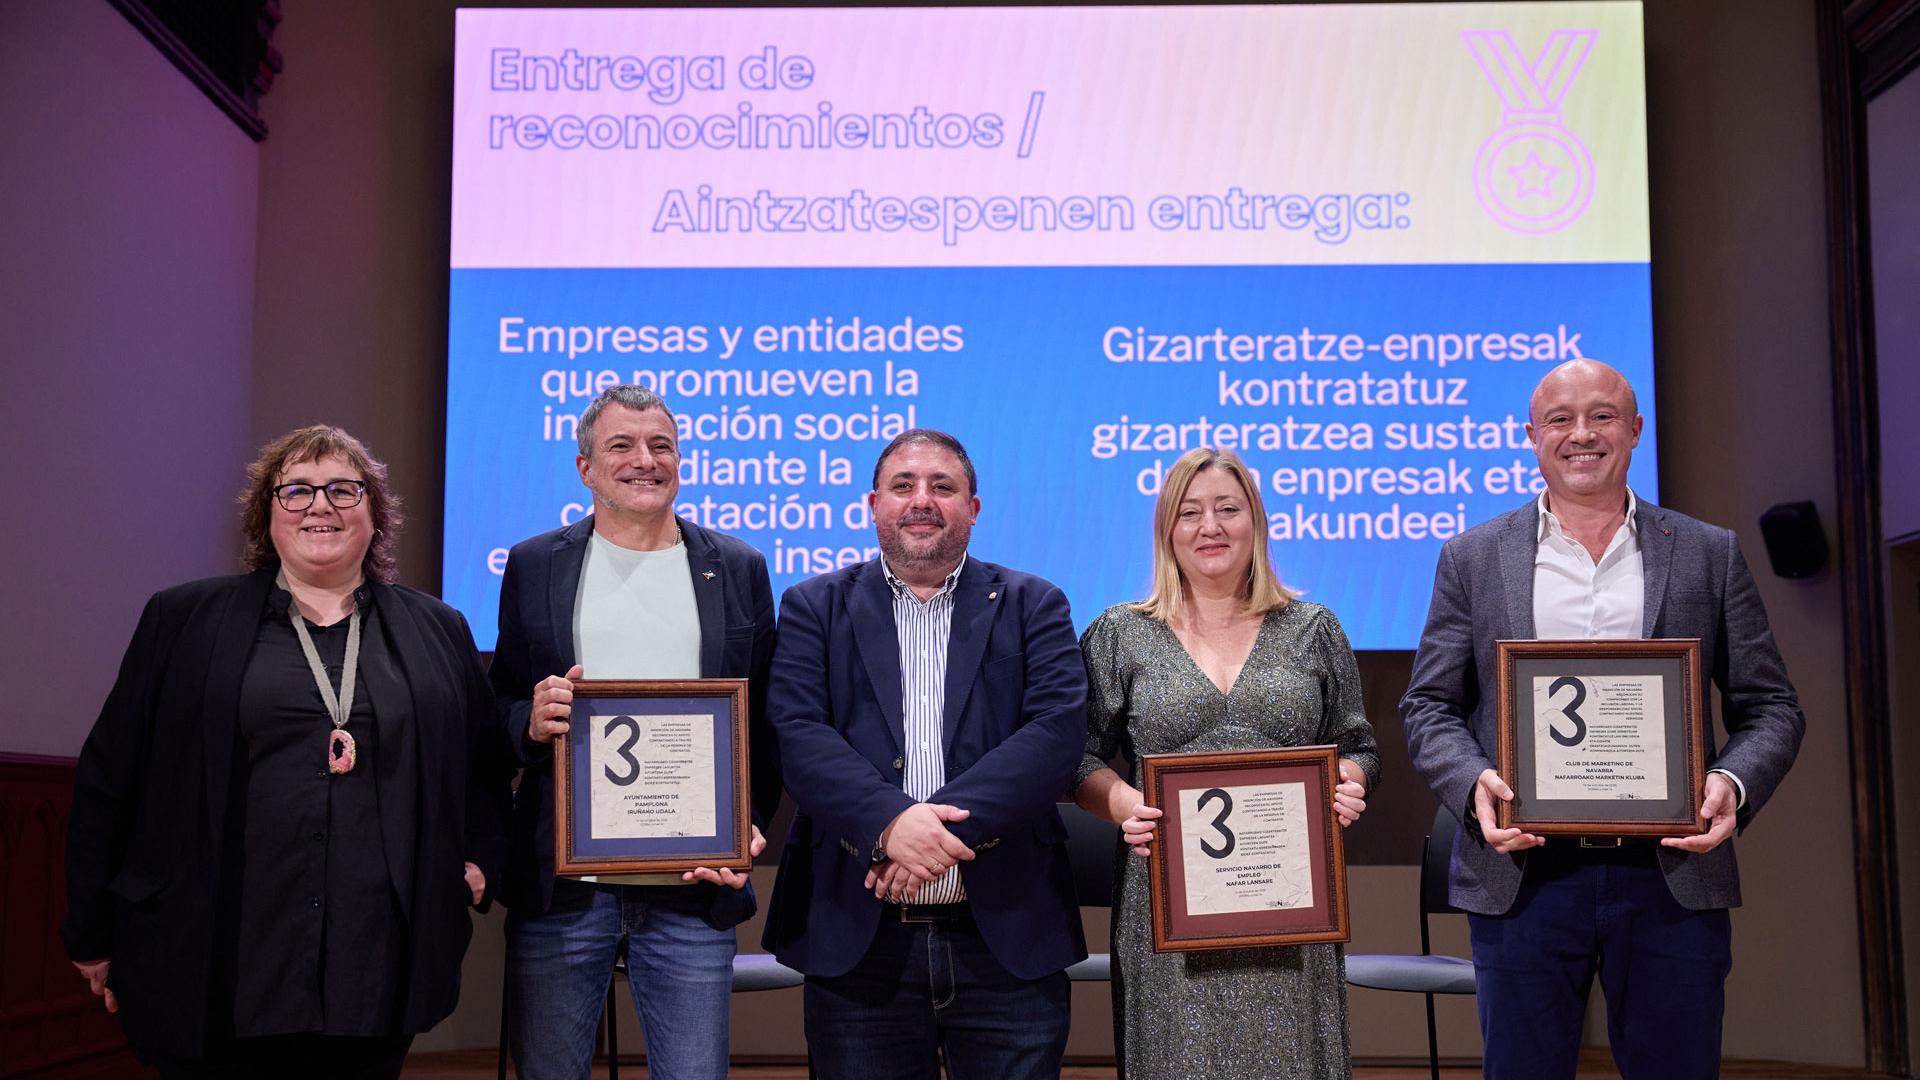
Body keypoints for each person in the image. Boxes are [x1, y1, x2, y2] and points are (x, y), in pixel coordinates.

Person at [61, 426, 510, 1079]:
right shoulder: (184, 619)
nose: (319, 505)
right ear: (265, 513)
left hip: (376, 963)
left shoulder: (438, 629)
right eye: (296, 489)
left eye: (342, 489)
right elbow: (110, 778)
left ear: (374, 513)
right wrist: (91, 932)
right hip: (215, 955)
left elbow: (484, 768)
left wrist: (478, 865)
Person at [1401, 358, 1805, 1079]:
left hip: (1671, 876)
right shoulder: (1471, 556)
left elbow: (1771, 707)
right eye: (1560, 419)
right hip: (1524, 877)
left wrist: (1731, 786)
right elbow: (1429, 706)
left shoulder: (1708, 554)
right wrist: (1474, 784)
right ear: (1531, 435)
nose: (1581, 434)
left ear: (1635, 429)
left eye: (1602, 416)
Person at [761, 429, 1088, 1079]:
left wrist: (921, 830)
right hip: (858, 939)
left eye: (943, 487)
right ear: (872, 504)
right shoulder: (813, 606)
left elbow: (1055, 733)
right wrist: (890, 822)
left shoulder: (1034, 605)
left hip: (1006, 932)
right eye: (904, 486)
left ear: (973, 507)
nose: (922, 500)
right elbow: (797, 733)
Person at [490, 385, 779, 1080]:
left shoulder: (737, 567)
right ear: (585, 466)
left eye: (661, 446)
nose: (644, 460)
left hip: (692, 884)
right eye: (621, 445)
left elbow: (765, 721)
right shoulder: (535, 565)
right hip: (566, 888)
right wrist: (525, 721)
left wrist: (749, 822)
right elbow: (497, 703)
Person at [1074, 446, 1379, 1079]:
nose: (1210, 527)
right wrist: (1126, 803)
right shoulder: (1118, 634)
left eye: (1227, 509)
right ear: (1167, 530)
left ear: (1256, 522)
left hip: (1290, 902)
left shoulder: (1312, 628)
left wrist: (1349, 781)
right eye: (1189, 513)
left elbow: (1358, 746)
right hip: (1166, 902)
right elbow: (1075, 759)